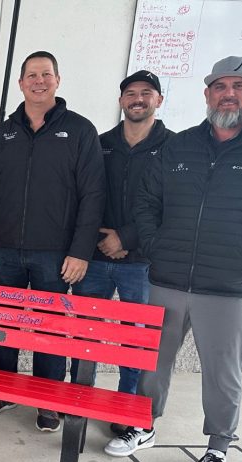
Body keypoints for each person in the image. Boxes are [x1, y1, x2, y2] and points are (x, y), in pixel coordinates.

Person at [105, 57, 242, 462]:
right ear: (207, 94)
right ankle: (142, 425)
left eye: (239, 85)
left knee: (223, 371)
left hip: (228, 286)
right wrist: (158, 248)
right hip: (169, 278)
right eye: (220, 86)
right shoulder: (179, 148)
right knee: (152, 361)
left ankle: (218, 447)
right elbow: (147, 203)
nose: (228, 93)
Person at [0, 51, 105, 432]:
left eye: (46, 74)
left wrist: (80, 251)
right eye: (32, 75)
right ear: (21, 83)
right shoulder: (2, 134)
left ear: (57, 81)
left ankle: (48, 399)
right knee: (3, 322)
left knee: (50, 328)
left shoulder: (79, 131)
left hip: (55, 255)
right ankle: (2, 390)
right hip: (5, 251)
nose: (39, 81)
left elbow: (93, 196)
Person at [69, 70, 173, 435]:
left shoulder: (173, 148)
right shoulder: (101, 143)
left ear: (159, 100)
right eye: (131, 93)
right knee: (86, 335)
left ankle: (125, 408)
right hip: (95, 259)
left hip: (141, 264)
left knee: (135, 339)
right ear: (121, 101)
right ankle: (78, 400)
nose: (138, 99)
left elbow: (171, 207)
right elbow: (86, 197)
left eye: (147, 93)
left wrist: (126, 239)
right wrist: (97, 241)